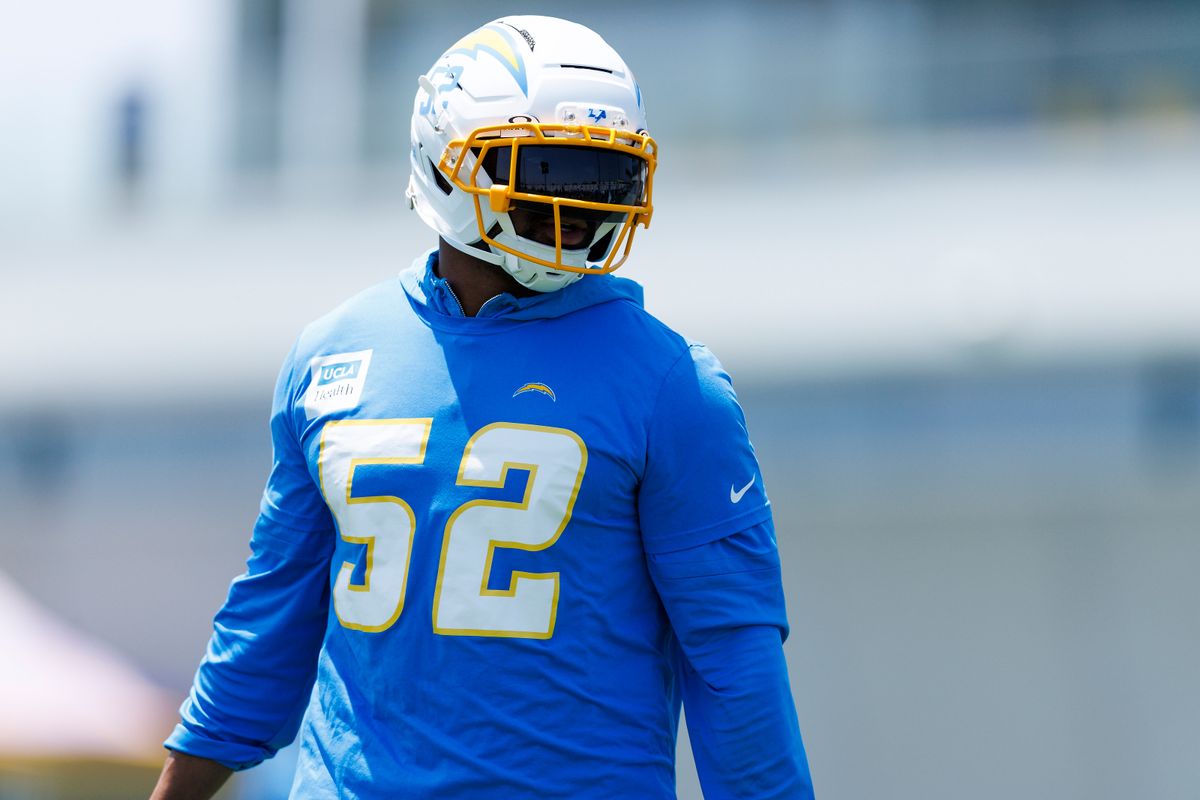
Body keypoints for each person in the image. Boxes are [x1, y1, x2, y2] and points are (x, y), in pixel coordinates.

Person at [151, 15, 814, 800]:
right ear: (445, 158)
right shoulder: (331, 356)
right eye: (545, 171)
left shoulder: (674, 386)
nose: (578, 205)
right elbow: (267, 629)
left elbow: (734, 662)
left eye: (602, 178)